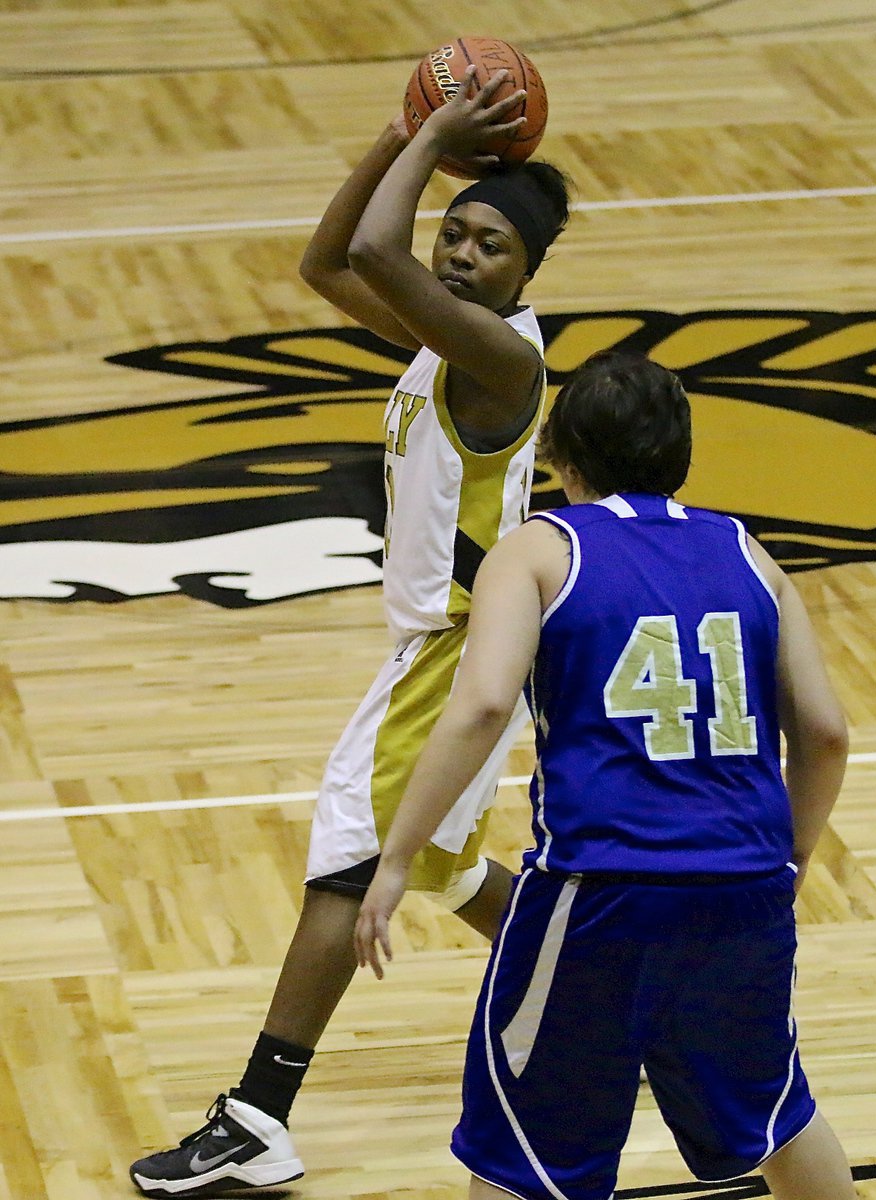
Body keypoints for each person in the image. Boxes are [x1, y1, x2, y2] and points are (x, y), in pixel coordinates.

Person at [129, 67, 571, 1197]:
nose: (462, 255)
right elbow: (329, 263)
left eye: (488, 246)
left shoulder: (501, 357)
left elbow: (377, 255)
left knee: (346, 865)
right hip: (446, 644)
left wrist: (429, 138)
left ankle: (257, 1116)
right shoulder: (450, 338)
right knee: (461, 872)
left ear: (527, 271)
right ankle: (613, 1005)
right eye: (456, 235)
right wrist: (395, 135)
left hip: (455, 653)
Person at [354, 352, 855, 1200]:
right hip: (742, 889)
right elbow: (827, 733)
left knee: (526, 1155)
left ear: (563, 457)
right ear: (680, 452)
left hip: (601, 892)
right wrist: (792, 858)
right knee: (777, 1113)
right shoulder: (747, 551)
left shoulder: (540, 548)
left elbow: (479, 706)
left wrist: (399, 858)